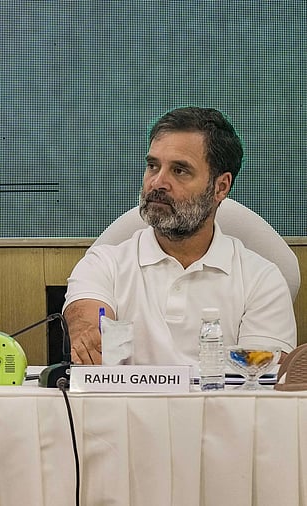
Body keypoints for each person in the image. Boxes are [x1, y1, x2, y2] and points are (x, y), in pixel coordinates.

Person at [64, 106, 296, 365]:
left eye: (179, 170)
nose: (157, 183)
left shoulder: (262, 279)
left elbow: (260, 383)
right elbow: (87, 320)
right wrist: (89, 335)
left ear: (220, 187)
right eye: (153, 166)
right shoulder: (103, 263)